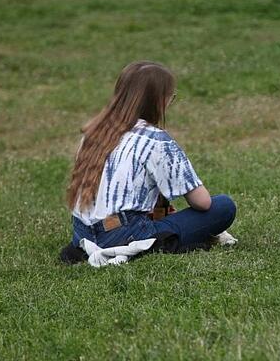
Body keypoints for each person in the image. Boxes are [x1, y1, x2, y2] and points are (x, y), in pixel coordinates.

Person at [65, 61, 237, 253]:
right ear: (159, 101)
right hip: (125, 232)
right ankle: (157, 241)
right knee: (223, 206)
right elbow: (202, 202)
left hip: (82, 234)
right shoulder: (157, 140)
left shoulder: (94, 132)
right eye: (171, 97)